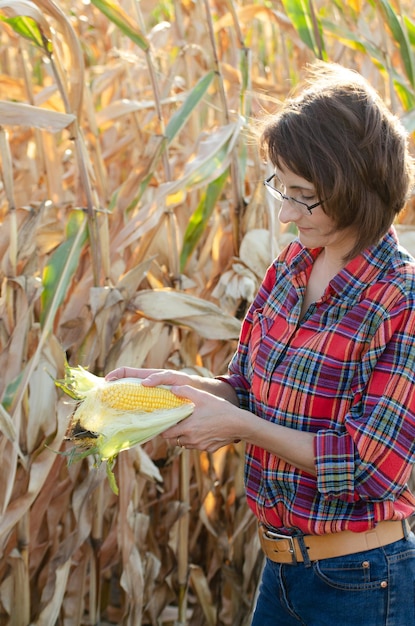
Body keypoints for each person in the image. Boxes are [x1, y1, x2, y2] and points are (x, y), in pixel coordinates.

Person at [107, 61, 415, 626]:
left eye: (305, 196)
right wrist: (169, 393)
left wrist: (239, 429)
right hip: (278, 575)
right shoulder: (290, 268)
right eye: (282, 187)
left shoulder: (401, 300)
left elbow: (371, 467)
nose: (285, 212)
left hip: (362, 582)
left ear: (357, 187)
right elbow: (246, 388)